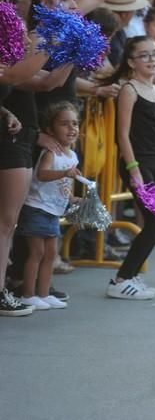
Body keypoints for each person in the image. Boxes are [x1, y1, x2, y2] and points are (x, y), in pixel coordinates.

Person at [102, 36, 155, 300]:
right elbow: (122, 135)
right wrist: (133, 169)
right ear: (132, 62)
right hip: (137, 163)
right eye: (145, 55)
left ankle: (130, 275)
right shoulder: (129, 90)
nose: (152, 59)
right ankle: (122, 278)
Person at [18, 102, 80, 310]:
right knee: (36, 253)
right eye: (64, 124)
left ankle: (43, 294)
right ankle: (28, 294)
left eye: (75, 123)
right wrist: (64, 173)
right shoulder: (50, 153)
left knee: (51, 254)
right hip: (37, 208)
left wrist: (72, 198)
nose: (71, 128)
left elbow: (64, 184)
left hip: (53, 211)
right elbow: (42, 175)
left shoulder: (72, 155)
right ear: (50, 130)